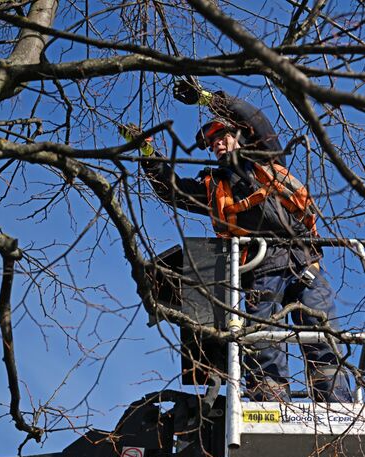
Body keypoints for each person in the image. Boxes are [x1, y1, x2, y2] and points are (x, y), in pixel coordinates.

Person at [122, 80, 353, 403]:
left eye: (223, 136)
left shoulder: (264, 157)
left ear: (239, 136)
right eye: (211, 141)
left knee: (320, 334)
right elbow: (171, 190)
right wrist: (147, 152)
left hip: (301, 259)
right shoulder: (213, 186)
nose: (217, 144)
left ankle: (338, 405)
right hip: (259, 267)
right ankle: (270, 404)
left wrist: (207, 99)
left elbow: (254, 117)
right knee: (262, 340)